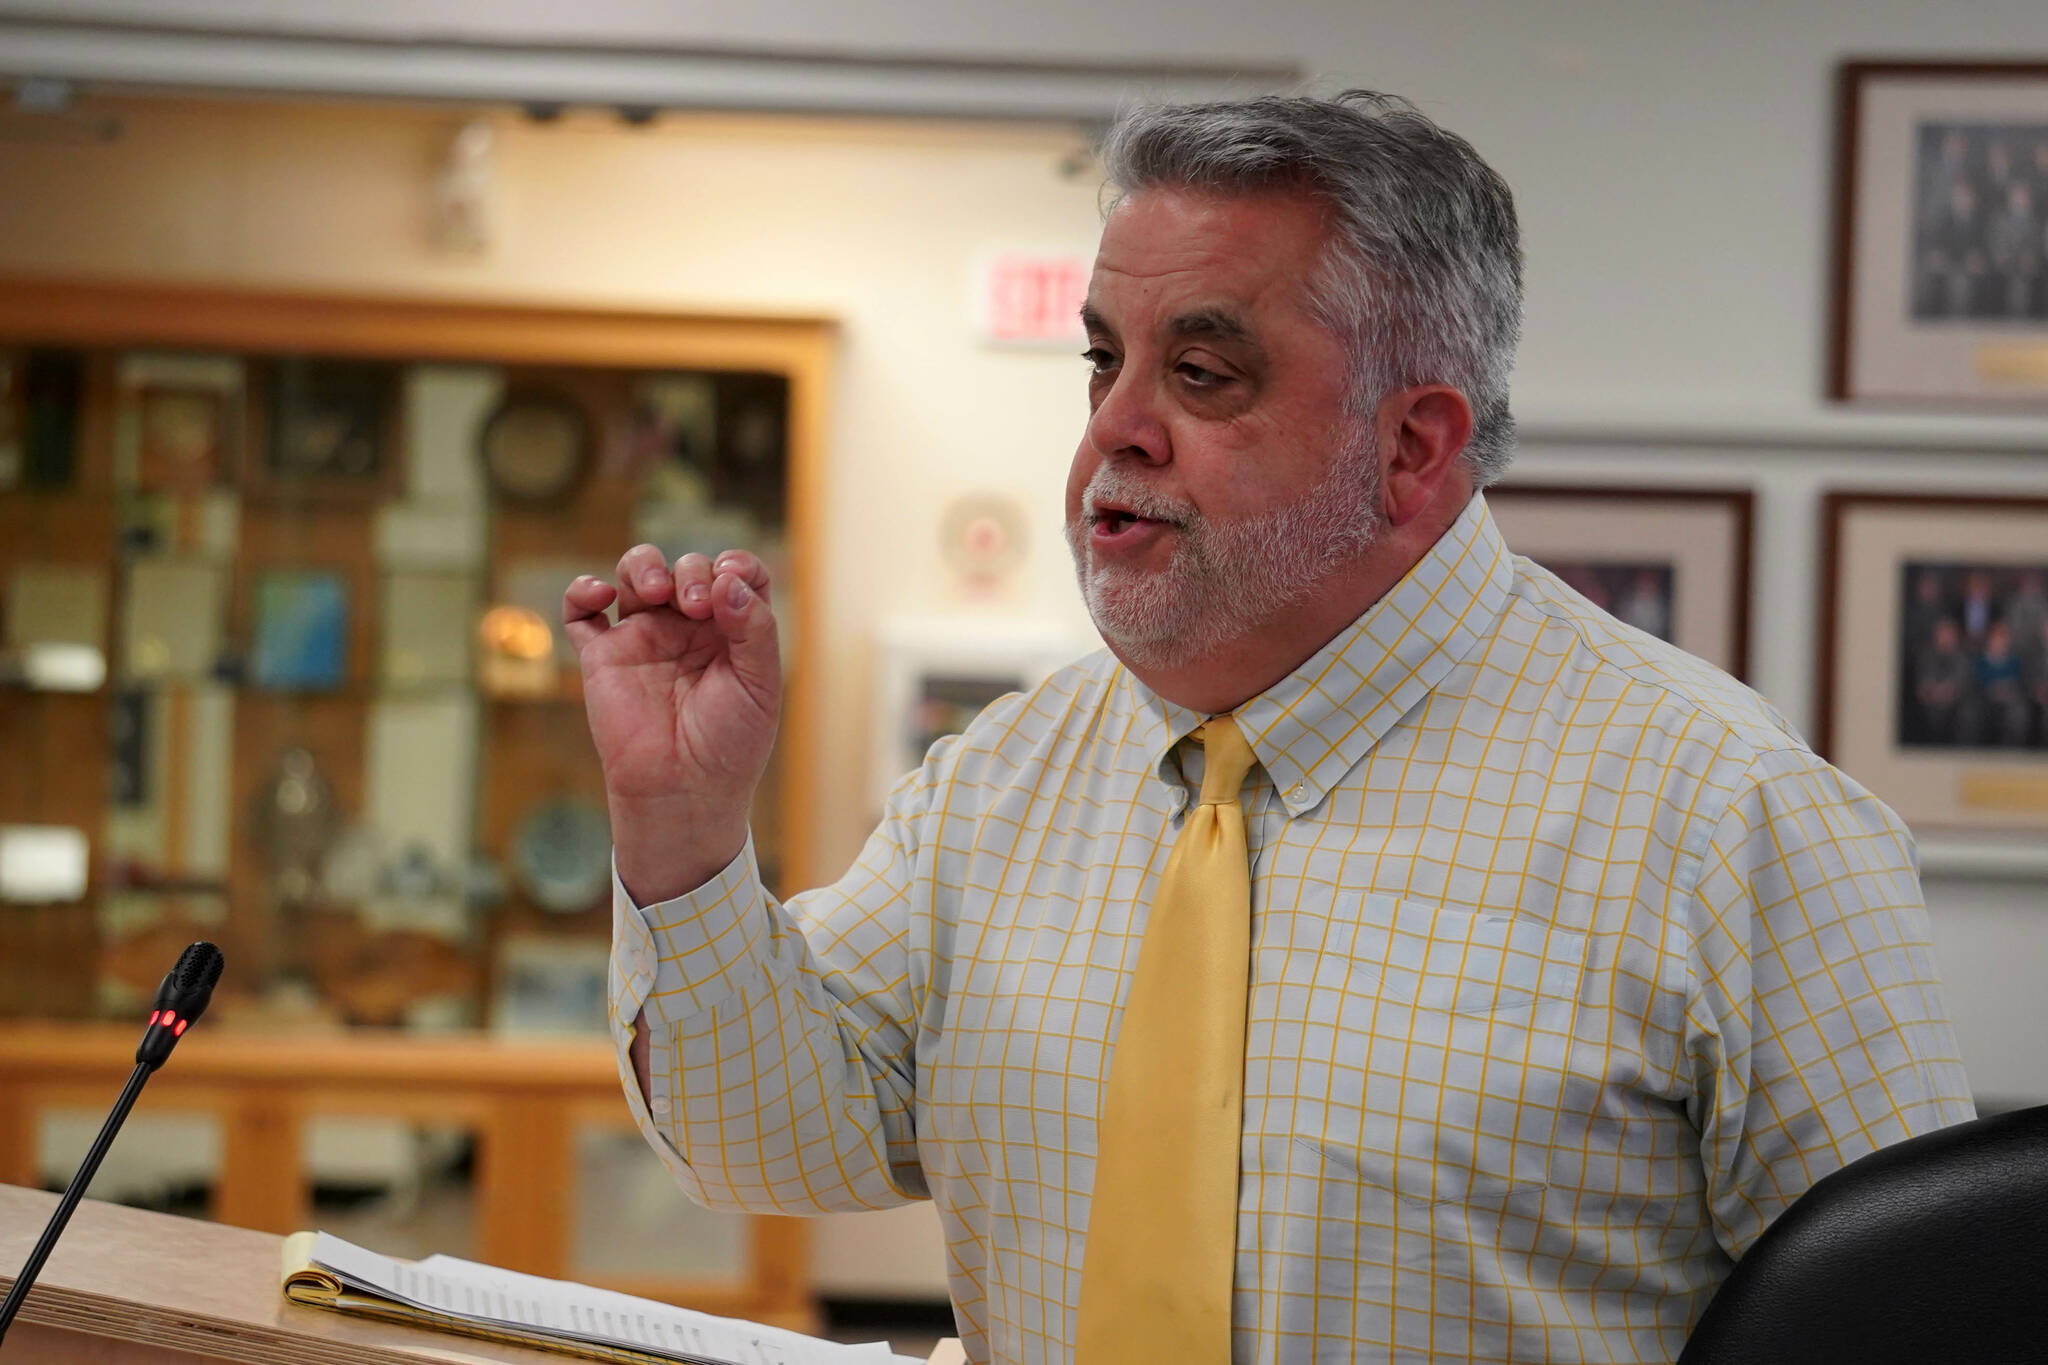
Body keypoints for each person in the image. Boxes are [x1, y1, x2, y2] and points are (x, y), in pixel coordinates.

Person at [567, 92, 1973, 1364]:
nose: (1115, 429)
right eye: (1103, 361)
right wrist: (685, 829)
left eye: (1203, 375)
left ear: (1412, 448)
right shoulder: (1007, 779)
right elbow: (770, 1136)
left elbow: (1925, 1332)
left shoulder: (1728, 819)